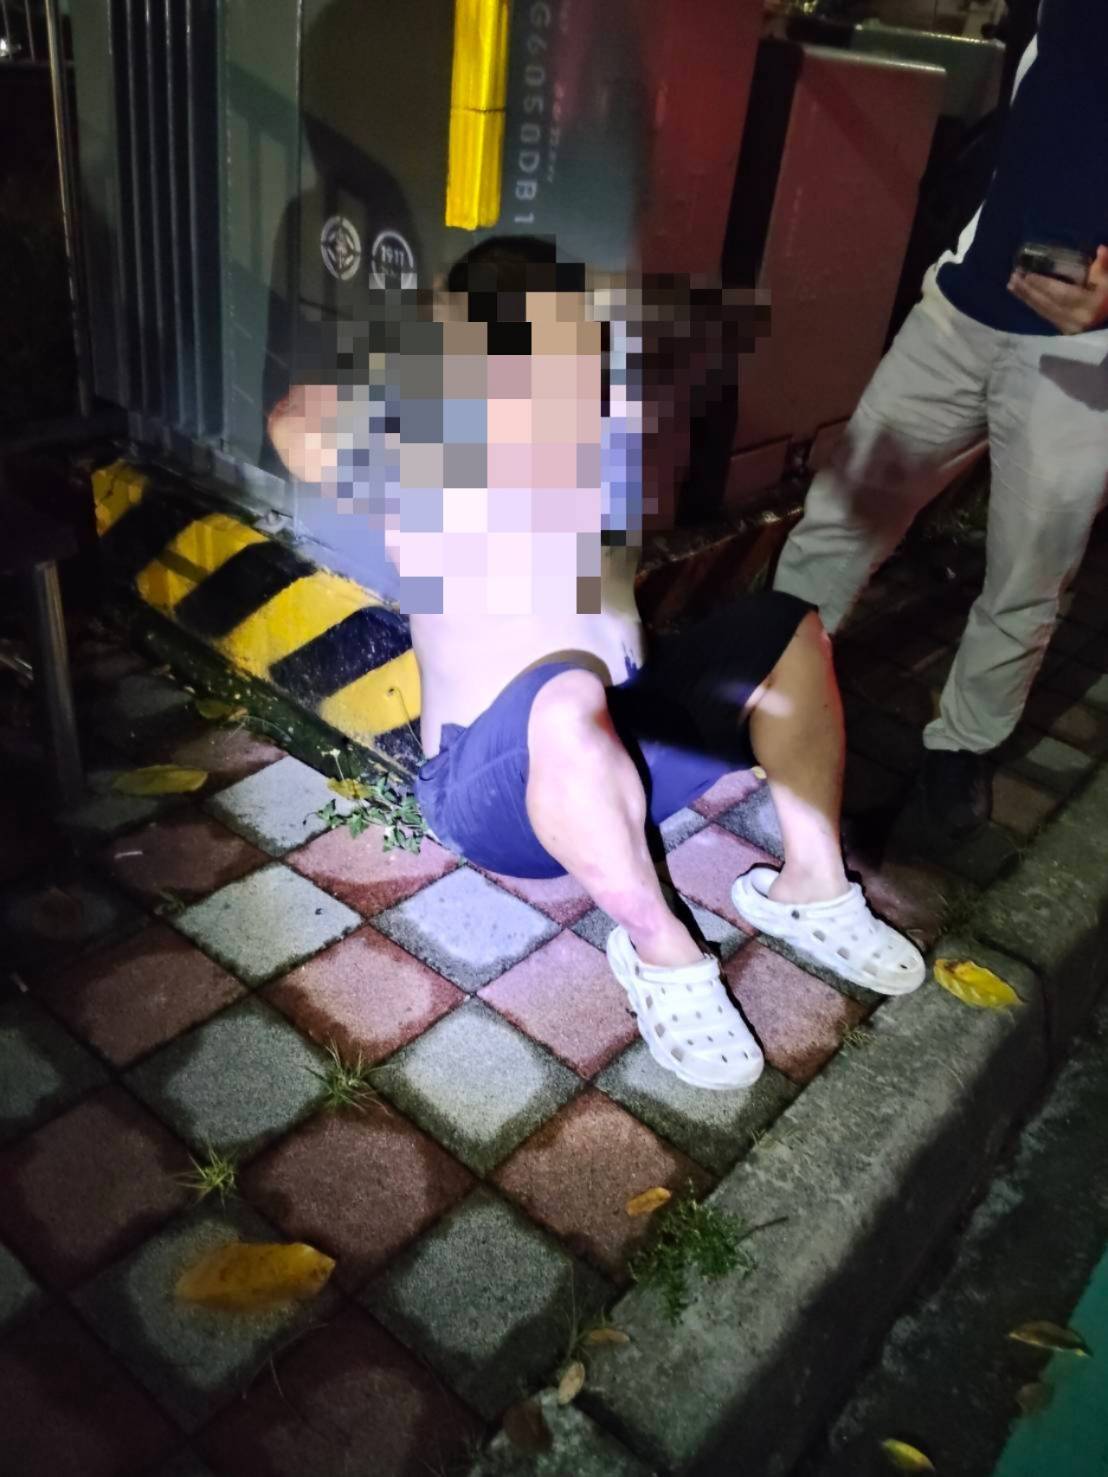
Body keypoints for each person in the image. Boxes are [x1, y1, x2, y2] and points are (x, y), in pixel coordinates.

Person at [268, 238, 925, 1094]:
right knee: (566, 696)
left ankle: (813, 883)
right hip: (492, 789)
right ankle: (662, 950)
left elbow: (667, 327)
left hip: (618, 749)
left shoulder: (596, 439)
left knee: (785, 625)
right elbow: (295, 423)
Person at [774, 0, 1108, 839]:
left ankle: (962, 747)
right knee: (844, 510)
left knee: (1029, 569)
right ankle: (762, 673)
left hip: (1089, 351)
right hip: (963, 306)